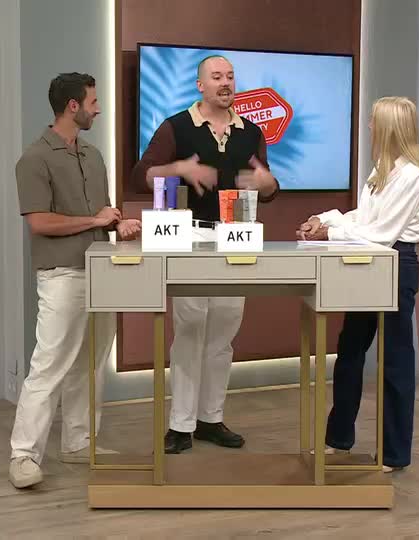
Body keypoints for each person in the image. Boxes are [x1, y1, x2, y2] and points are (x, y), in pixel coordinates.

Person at [132, 55, 280, 454]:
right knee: (190, 330)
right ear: (200, 86)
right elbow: (140, 175)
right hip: (191, 240)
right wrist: (179, 168)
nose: (225, 83)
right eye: (216, 77)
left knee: (223, 334)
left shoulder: (250, 132)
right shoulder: (177, 127)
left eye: (230, 76)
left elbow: (267, 186)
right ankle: (180, 424)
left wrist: (267, 183)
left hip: (237, 241)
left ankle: (210, 419)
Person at [10, 72, 141, 489]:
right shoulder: (34, 159)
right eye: (93, 101)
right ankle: (23, 455)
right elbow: (40, 223)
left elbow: (101, 213)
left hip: (102, 272)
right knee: (49, 365)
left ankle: (79, 443)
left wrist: (117, 224)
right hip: (62, 274)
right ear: (72, 106)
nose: (98, 108)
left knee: (91, 364)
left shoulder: (94, 155)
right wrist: (95, 220)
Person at [297, 96, 419, 473]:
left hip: (395, 264)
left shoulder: (412, 176)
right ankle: (339, 438)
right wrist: (323, 219)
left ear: (390, 126)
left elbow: (382, 233)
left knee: (394, 360)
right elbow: (364, 216)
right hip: (367, 264)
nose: (370, 127)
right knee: (350, 350)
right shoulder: (383, 170)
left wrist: (331, 229)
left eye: (374, 121)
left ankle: (394, 453)